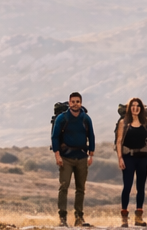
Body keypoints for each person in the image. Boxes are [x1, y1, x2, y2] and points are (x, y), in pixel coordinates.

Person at [52, 92, 96, 227]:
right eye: (73, 101)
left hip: (82, 157)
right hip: (66, 158)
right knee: (63, 187)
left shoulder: (86, 118)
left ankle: (79, 217)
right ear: (69, 103)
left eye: (78, 101)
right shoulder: (62, 118)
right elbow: (55, 137)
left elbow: (92, 136)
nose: (75, 104)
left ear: (81, 103)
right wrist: (57, 155)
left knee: (81, 188)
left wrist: (91, 155)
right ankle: (62, 217)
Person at [116, 98, 147, 228]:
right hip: (128, 157)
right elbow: (119, 141)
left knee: (141, 187)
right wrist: (120, 158)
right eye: (133, 106)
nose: (135, 108)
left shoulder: (146, 124)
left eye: (138, 106)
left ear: (141, 108)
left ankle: (138, 217)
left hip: (143, 157)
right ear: (129, 108)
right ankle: (124, 218)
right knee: (127, 186)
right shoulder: (124, 123)